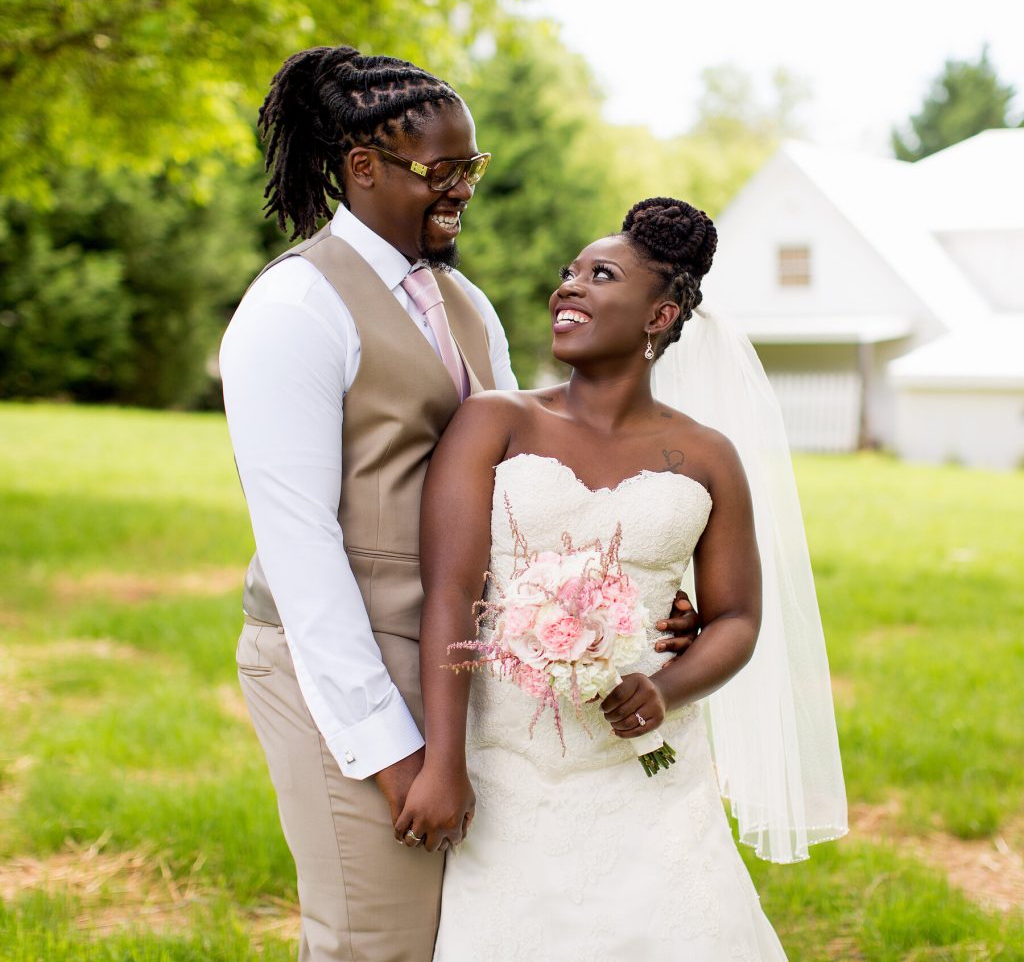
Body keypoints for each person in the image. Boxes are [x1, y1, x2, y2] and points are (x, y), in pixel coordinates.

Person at [220, 48, 700, 962]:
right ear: (364, 168)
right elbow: (300, 549)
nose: (464, 190)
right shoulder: (296, 305)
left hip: (467, 665)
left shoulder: (464, 301)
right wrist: (393, 753)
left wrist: (640, 602)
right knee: (379, 940)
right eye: (440, 170)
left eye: (470, 166)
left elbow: (528, 478)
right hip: (344, 662)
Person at [402, 197, 846, 960]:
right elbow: (449, 595)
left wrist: (666, 689)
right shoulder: (495, 422)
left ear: (660, 315)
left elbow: (737, 618)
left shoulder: (709, 456)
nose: (568, 286)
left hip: (652, 773)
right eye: (568, 272)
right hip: (509, 770)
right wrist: (443, 763)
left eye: (600, 275)